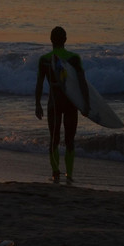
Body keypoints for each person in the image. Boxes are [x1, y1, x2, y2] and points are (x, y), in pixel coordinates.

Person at [34, 26, 89, 182]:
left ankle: (55, 172)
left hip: (54, 104)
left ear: (50, 40)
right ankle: (69, 174)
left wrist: (37, 104)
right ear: (65, 39)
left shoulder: (44, 60)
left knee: (54, 139)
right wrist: (86, 104)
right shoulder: (74, 58)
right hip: (71, 103)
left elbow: (39, 84)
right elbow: (82, 83)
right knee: (70, 139)